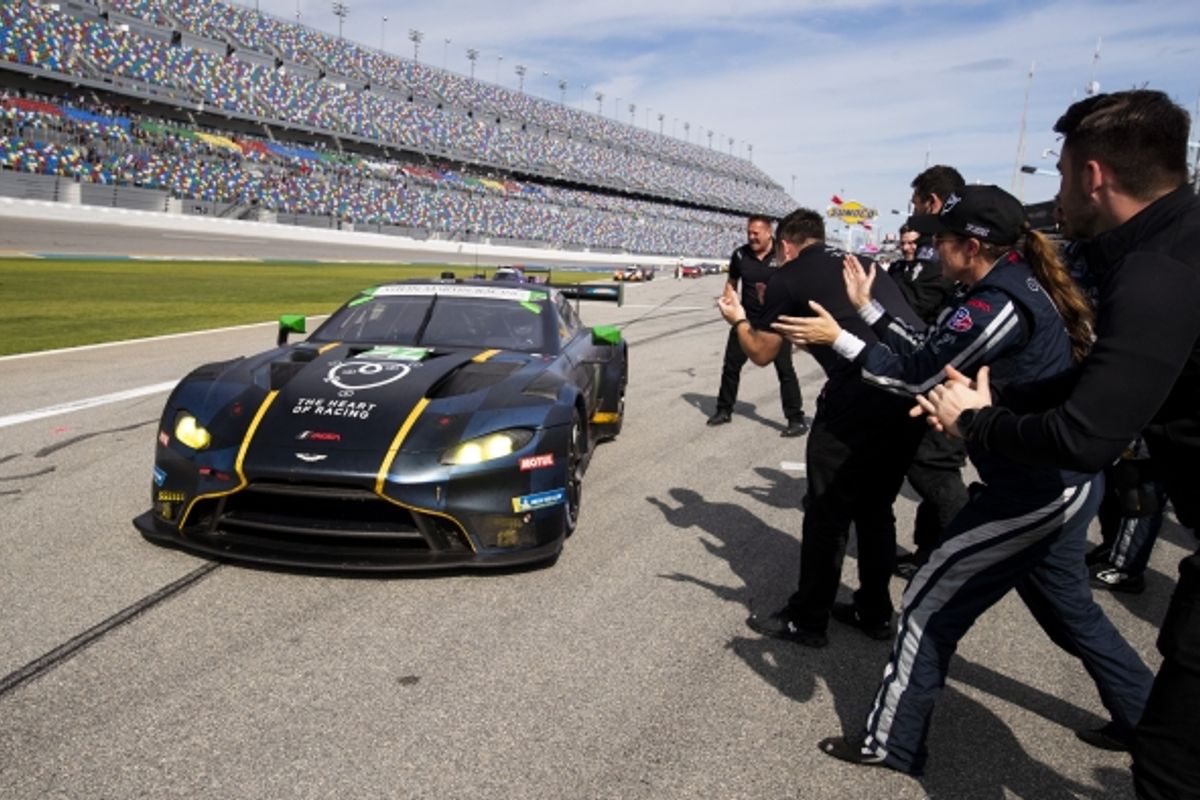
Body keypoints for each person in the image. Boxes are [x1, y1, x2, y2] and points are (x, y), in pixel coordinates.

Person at [774, 185, 1152, 775]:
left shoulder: (993, 304)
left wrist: (839, 338)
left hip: (1032, 489)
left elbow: (911, 378)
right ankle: (1153, 724)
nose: (932, 251)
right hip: (1063, 480)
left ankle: (891, 743)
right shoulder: (1008, 282)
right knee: (1072, 614)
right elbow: (931, 350)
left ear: (971, 247)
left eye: (940, 242)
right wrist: (871, 311)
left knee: (925, 604)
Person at [913, 90, 1200, 796]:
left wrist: (977, 421)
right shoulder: (1176, 242)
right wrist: (1004, 401)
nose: (1059, 193)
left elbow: (1084, 435)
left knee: (1169, 765)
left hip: (1058, 482)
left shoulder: (1158, 270)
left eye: (1063, 174)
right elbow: (1100, 387)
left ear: (1094, 176)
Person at [717, 208, 926, 646]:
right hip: (908, 388)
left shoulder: (787, 277)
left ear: (787, 246)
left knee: (826, 511)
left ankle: (807, 619)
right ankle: (874, 611)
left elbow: (760, 352)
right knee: (875, 510)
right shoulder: (861, 262)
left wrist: (737, 317)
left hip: (859, 395)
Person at [891, 172, 971, 578]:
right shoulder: (936, 247)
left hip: (955, 376)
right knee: (931, 463)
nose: (914, 216)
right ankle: (929, 554)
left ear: (934, 202)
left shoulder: (949, 249)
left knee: (934, 469)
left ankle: (956, 553)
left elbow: (922, 305)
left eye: (918, 205)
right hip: (939, 370)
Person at [707, 215, 808, 437]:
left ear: (769, 233)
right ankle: (724, 410)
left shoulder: (782, 255)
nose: (751, 237)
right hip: (746, 321)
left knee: (785, 371)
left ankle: (796, 418)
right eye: (749, 232)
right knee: (730, 368)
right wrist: (728, 302)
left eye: (756, 233)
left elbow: (794, 284)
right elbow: (732, 284)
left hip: (775, 323)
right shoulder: (740, 255)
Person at [1087, 436, 1167, 594]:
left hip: (1150, 446)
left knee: (1139, 503)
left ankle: (1127, 571)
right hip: (1122, 439)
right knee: (1113, 494)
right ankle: (1113, 549)